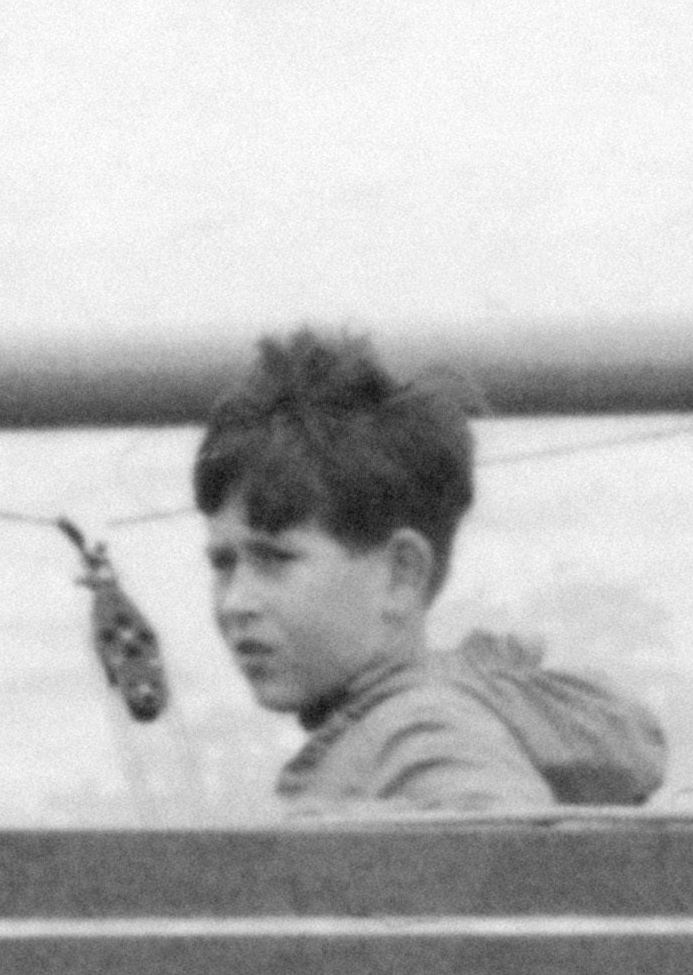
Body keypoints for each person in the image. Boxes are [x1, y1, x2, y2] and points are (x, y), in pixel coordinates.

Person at [197, 329, 664, 815]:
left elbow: (509, 875)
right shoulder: (393, 733)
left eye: (275, 559)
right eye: (222, 563)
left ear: (401, 575)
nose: (235, 603)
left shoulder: (418, 739)